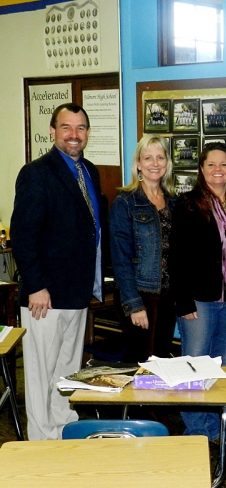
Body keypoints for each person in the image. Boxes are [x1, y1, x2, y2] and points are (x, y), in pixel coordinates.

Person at [11, 103, 106, 440]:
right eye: (66, 127)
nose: (74, 135)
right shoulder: (36, 173)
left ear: (88, 133)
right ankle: (41, 441)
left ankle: (63, 430)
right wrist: (36, 285)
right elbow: (23, 234)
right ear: (53, 131)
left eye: (80, 128)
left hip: (76, 291)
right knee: (41, 373)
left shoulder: (90, 171)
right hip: (45, 296)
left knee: (68, 371)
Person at [170, 142, 226, 444]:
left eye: (223, 164)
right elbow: (177, 257)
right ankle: (197, 430)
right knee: (194, 363)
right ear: (201, 169)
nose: (217, 170)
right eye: (211, 164)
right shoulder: (188, 204)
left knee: (218, 365)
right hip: (199, 299)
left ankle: (214, 428)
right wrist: (182, 300)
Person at [110, 135, 177, 363]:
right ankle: (137, 401)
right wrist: (134, 304)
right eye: (148, 158)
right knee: (139, 365)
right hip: (140, 295)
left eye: (160, 157)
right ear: (138, 163)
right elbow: (121, 259)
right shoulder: (125, 202)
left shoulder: (173, 202)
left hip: (168, 297)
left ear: (167, 163)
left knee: (161, 364)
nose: (155, 163)